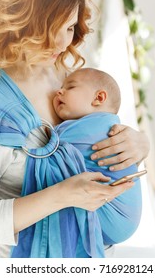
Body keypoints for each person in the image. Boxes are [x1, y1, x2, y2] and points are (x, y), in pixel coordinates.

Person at [0, 0, 150, 258]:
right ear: (16, 19)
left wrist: (138, 145)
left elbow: (97, 148)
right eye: (52, 28)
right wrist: (63, 195)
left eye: (70, 27)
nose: (63, 44)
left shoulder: (69, 79)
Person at [52, 67, 143, 245]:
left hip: (113, 216)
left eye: (70, 87)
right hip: (125, 221)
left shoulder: (96, 129)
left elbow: (47, 146)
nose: (59, 91)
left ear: (98, 98)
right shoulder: (107, 126)